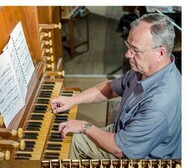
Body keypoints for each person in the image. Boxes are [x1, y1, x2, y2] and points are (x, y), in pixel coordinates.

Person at [51, 13, 181, 159]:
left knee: (69, 143)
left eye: (135, 50)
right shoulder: (146, 68)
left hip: (141, 162)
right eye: (128, 46)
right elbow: (111, 88)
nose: (127, 54)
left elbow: (120, 149)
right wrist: (72, 100)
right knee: (68, 134)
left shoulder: (159, 104)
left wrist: (84, 126)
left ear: (160, 53)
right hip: (124, 134)